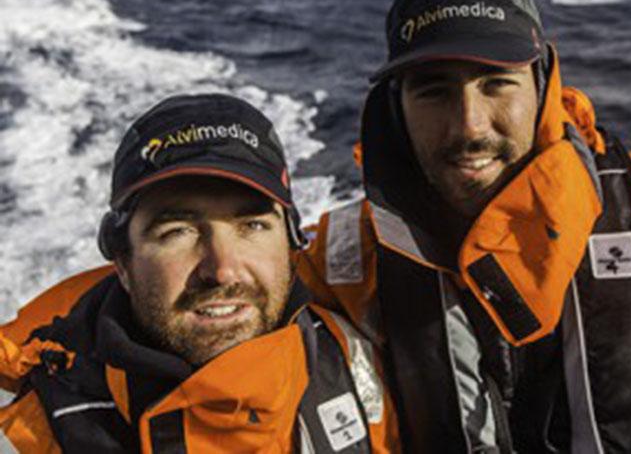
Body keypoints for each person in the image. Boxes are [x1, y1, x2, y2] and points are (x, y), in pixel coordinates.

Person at [298, 0, 631, 453]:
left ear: (543, 85)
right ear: (395, 108)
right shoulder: (341, 261)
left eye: (496, 84)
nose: (469, 125)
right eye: (433, 91)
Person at [0, 94, 400, 453]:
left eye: (252, 227)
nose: (222, 270)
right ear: (123, 262)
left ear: (293, 242)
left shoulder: (359, 359)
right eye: (178, 232)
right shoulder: (37, 432)